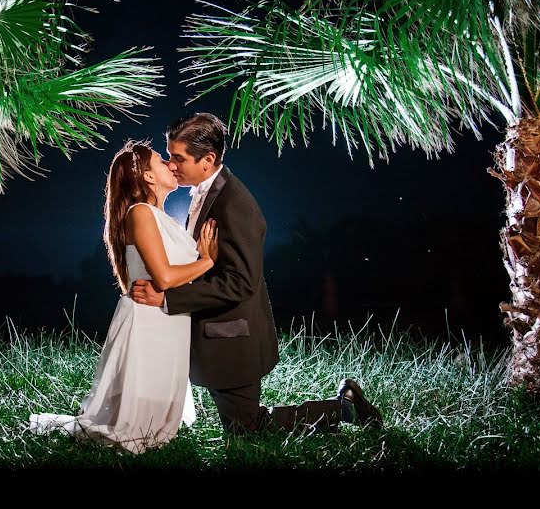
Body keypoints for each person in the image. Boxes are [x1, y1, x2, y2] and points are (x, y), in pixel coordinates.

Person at [131, 113, 382, 435]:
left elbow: (240, 282)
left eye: (178, 158)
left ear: (207, 159)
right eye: (169, 156)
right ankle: (343, 406)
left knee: (248, 427)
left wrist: (168, 299)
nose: (170, 165)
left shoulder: (233, 204)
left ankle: (345, 408)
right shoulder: (208, 194)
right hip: (217, 336)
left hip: (233, 337)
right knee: (245, 425)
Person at [29, 140, 218, 454]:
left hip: (170, 320)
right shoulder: (141, 213)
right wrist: (206, 260)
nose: (172, 165)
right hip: (148, 321)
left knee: (157, 426)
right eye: (162, 161)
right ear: (147, 176)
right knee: (135, 430)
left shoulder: (166, 219)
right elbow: (165, 277)